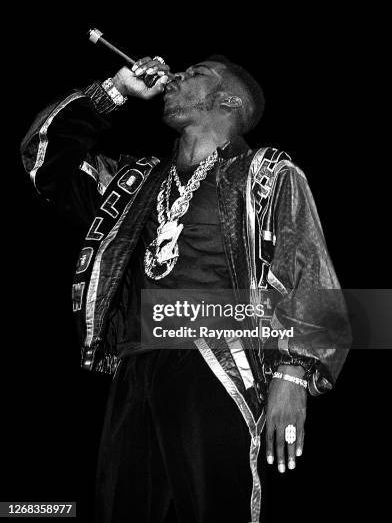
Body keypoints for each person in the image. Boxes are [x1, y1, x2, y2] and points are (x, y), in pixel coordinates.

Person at [21, 54, 351, 523]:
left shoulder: (267, 172)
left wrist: (293, 374)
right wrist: (113, 92)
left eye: (195, 74)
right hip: (135, 366)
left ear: (229, 99)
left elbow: (311, 273)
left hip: (216, 362)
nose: (174, 76)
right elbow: (45, 160)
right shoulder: (134, 182)